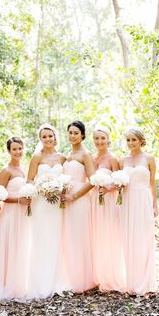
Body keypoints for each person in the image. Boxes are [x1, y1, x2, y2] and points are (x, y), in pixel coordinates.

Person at [26, 124, 67, 300]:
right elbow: (29, 179)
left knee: (56, 238)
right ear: (40, 139)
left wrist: (62, 188)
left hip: (57, 204)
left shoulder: (62, 157)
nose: (48, 139)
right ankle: (40, 282)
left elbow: (66, 178)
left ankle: (56, 280)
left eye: (50, 136)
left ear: (55, 137)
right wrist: (40, 188)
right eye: (44, 137)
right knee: (41, 238)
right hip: (41, 203)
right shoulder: (36, 157)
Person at [119, 127, 158, 295]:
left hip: (142, 200)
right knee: (129, 238)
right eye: (128, 140)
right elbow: (119, 182)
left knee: (143, 237)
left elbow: (152, 183)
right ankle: (132, 281)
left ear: (141, 140)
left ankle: (145, 281)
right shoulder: (123, 160)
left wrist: (155, 204)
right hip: (127, 201)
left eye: (134, 139)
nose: (130, 143)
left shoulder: (149, 158)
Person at [0, 137, 31, 300]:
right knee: (10, 247)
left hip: (23, 215)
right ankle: (6, 285)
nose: (18, 152)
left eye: (20, 148)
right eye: (14, 149)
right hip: (9, 214)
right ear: (9, 151)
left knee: (21, 246)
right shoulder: (6, 171)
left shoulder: (24, 169)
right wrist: (18, 201)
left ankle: (20, 283)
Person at [62, 120, 95, 293]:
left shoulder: (85, 154)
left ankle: (83, 280)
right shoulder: (68, 154)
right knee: (68, 236)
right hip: (66, 199)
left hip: (79, 199)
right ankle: (69, 276)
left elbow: (93, 181)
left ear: (82, 135)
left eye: (76, 133)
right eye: (70, 132)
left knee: (79, 235)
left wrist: (75, 195)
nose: (72, 136)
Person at [91, 126, 125, 292]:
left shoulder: (112, 158)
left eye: (102, 138)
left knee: (109, 235)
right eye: (96, 138)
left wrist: (108, 188)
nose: (99, 141)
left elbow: (120, 181)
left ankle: (111, 277)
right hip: (94, 202)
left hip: (108, 202)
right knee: (97, 236)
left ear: (108, 139)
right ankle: (98, 275)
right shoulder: (91, 158)